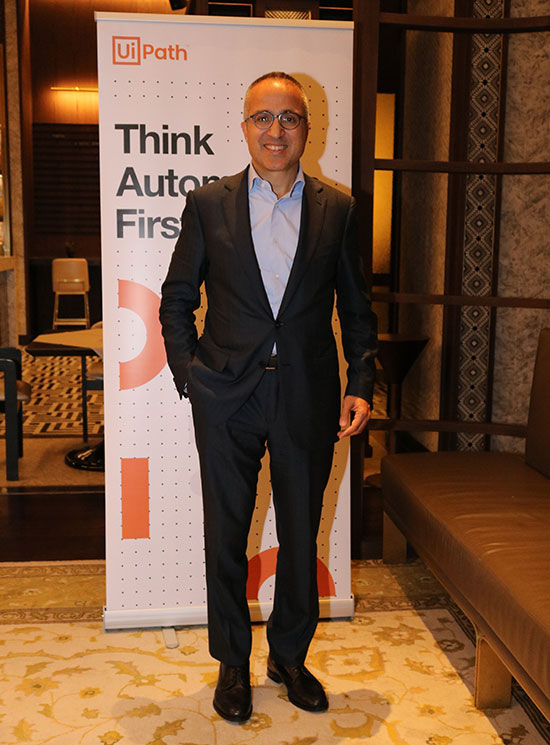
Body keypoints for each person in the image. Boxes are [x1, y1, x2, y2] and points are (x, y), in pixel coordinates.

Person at [160, 71, 377, 723]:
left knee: (302, 532)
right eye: (263, 117)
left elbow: (357, 309)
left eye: (289, 118)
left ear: (307, 128)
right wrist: (192, 378)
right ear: (245, 126)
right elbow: (176, 300)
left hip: (307, 393)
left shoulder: (339, 209)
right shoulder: (208, 204)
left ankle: (288, 656)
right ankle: (232, 660)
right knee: (226, 532)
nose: (275, 130)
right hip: (227, 394)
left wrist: (360, 382)